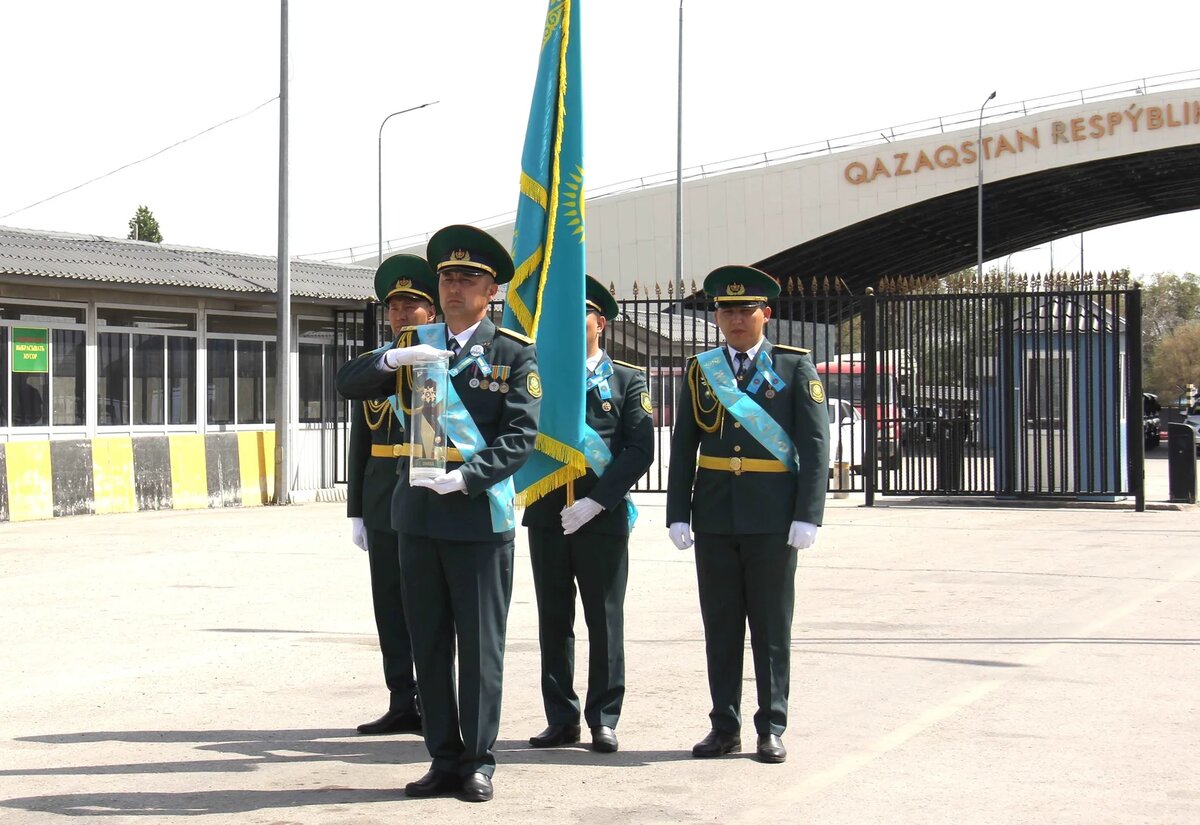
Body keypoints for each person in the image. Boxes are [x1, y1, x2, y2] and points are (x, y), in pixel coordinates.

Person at [335, 224, 540, 803]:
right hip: (417, 517)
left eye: (467, 278)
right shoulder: (417, 343)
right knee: (428, 642)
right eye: (447, 277)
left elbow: (522, 435)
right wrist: (393, 354)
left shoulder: (512, 352)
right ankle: (442, 758)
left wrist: (469, 476)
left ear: (490, 289)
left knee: (478, 648)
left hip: (478, 519)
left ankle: (477, 759)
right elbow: (348, 383)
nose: (454, 288)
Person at [666, 265, 829, 765]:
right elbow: (684, 445)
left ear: (766, 314)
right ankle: (724, 725)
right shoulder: (702, 369)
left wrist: (809, 514)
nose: (735, 319)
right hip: (715, 516)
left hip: (773, 517)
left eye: (745, 309)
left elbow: (815, 445)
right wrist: (678, 511)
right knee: (720, 627)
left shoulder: (795, 367)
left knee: (770, 627)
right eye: (726, 310)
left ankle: (771, 725)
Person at [523, 276, 654, 754]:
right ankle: (561, 717)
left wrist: (597, 502)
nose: (571, 325)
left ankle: (604, 717)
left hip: (602, 516)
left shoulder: (626, 379)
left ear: (601, 323)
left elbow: (640, 449)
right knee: (553, 619)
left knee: (604, 619)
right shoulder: (540, 375)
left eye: (581, 315)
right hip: (547, 514)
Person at [345, 254, 439, 736]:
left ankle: (437, 699)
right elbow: (361, 440)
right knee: (389, 602)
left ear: (432, 312)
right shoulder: (378, 368)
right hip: (383, 499)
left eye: (412, 305)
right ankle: (402, 698)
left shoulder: (441, 366)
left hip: (428, 492)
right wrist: (356, 509)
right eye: (394, 307)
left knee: (429, 604)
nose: (401, 314)